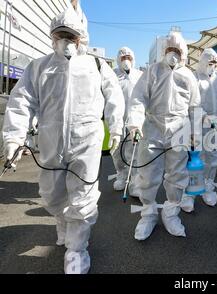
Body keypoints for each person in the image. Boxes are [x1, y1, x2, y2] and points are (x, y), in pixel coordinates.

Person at [2, 8, 125, 274]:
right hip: (50, 142)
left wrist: (116, 129)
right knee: (52, 194)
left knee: (82, 197)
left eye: (73, 36)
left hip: (86, 143)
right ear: (52, 36)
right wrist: (13, 137)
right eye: (61, 35)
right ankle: (62, 223)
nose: (67, 41)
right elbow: (21, 102)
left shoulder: (97, 65)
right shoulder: (39, 67)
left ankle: (77, 251)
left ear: (82, 38)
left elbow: (115, 98)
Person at [127, 31, 201, 240]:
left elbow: (195, 107)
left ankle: (171, 213)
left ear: (183, 53)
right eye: (169, 49)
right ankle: (148, 214)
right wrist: (135, 121)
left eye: (177, 50)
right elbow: (138, 98)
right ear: (163, 51)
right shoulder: (152, 71)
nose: (173, 54)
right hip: (152, 127)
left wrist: (195, 132)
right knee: (148, 174)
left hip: (179, 130)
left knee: (177, 174)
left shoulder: (188, 76)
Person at [180, 48, 217, 213]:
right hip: (195, 127)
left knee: (213, 158)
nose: (213, 66)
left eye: (215, 63)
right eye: (210, 62)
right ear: (203, 62)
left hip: (215, 126)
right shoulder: (194, 78)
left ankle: (208, 186)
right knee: (191, 160)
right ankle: (189, 192)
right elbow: (190, 104)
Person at [111, 47, 143, 194]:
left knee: (135, 152)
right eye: (123, 58)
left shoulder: (140, 76)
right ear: (118, 60)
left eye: (128, 58)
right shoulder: (112, 75)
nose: (126, 61)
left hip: (136, 121)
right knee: (117, 151)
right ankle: (121, 175)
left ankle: (135, 183)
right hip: (117, 120)